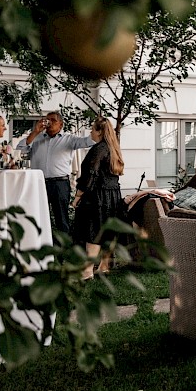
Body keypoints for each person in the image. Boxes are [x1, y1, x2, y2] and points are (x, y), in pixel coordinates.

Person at [15, 111, 99, 235]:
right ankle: (41, 246)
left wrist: (98, 128)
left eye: (53, 120)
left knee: (61, 219)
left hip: (60, 184)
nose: (48, 122)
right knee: (38, 216)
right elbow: (20, 149)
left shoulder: (69, 139)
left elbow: (89, 142)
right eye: (46, 119)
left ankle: (64, 250)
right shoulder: (36, 138)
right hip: (39, 183)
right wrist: (35, 131)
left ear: (61, 125)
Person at [70, 117, 125, 279]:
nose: (90, 132)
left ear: (100, 132)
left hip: (98, 196)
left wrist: (77, 196)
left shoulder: (98, 149)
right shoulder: (113, 148)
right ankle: (104, 265)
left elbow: (90, 175)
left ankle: (87, 271)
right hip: (113, 194)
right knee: (107, 231)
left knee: (93, 232)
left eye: (93, 129)